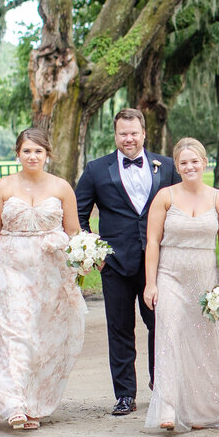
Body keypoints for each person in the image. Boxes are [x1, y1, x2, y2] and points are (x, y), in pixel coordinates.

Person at [0, 128, 86, 430]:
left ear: (47, 154)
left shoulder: (62, 187)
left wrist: (83, 258)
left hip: (52, 270)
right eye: (27, 151)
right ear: (18, 154)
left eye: (38, 151)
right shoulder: (2, 187)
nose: (32, 156)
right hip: (10, 266)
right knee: (14, 333)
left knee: (44, 336)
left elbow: (74, 231)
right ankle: (13, 403)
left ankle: (34, 403)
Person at [75, 109, 180, 416]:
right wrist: (95, 254)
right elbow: (79, 215)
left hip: (157, 264)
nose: (129, 138)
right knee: (119, 329)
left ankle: (161, 386)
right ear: (115, 135)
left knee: (159, 324)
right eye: (123, 133)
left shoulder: (168, 166)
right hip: (115, 265)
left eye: (134, 133)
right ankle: (125, 394)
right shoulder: (96, 170)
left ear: (144, 133)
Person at [142, 138, 219, 432]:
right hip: (170, 275)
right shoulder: (165, 196)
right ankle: (168, 406)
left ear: (204, 163)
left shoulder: (218, 199)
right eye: (183, 162)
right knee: (168, 334)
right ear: (177, 166)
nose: (190, 167)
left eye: (195, 161)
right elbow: (152, 242)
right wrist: (151, 283)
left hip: (203, 279)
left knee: (204, 342)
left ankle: (203, 409)